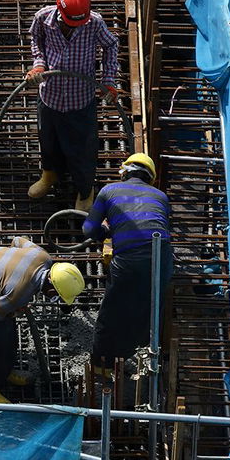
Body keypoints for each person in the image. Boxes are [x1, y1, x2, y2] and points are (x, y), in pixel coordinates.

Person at [25, 0, 121, 211]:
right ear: (60, 9)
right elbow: (35, 41)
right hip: (50, 96)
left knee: (82, 149)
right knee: (49, 141)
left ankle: (85, 190)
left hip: (81, 99)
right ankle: (50, 175)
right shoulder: (43, 18)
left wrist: (108, 80)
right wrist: (39, 66)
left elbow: (112, 45)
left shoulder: (94, 22)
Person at [0, 237, 85, 403]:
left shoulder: (43, 257)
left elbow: (17, 241)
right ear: (52, 288)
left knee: (6, 332)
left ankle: (5, 371)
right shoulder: (20, 293)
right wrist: (13, 309)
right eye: (56, 297)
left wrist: (9, 267)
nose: (55, 299)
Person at [82, 153, 173, 373]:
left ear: (124, 172)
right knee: (149, 309)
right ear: (149, 177)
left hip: (129, 259)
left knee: (113, 310)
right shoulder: (161, 196)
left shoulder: (108, 191)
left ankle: (101, 364)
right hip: (163, 257)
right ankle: (141, 357)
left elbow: (88, 229)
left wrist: (106, 229)